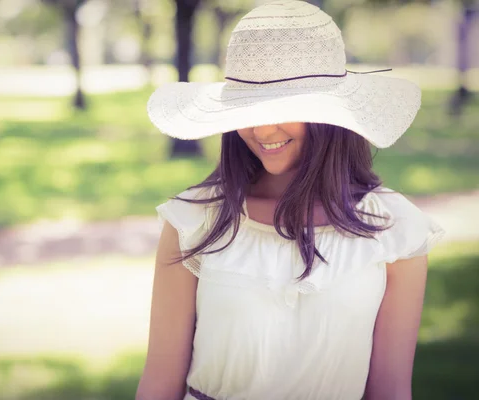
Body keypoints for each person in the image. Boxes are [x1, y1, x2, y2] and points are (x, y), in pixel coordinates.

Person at [136, 1, 445, 399]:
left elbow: (390, 390)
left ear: (331, 114)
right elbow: (159, 383)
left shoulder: (395, 230)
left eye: (285, 107)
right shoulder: (193, 221)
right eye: (247, 108)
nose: (262, 129)